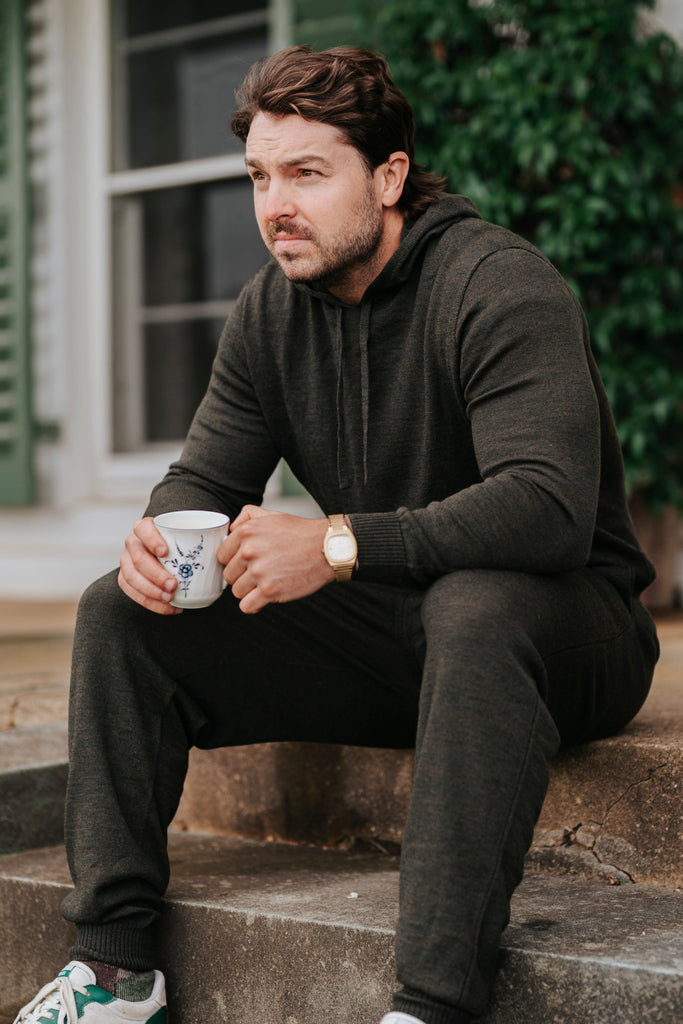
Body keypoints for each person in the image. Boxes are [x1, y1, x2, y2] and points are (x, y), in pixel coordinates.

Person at [14, 45, 659, 1024]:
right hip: (396, 637)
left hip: (562, 636)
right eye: (260, 177)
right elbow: (203, 475)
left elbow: (546, 508)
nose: (276, 204)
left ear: (388, 176)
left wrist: (334, 545)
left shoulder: (497, 285)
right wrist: (156, 540)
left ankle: (431, 1005)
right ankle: (114, 971)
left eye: (307, 173)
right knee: (121, 611)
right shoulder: (270, 314)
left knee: (473, 604)